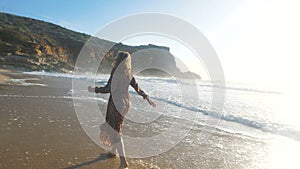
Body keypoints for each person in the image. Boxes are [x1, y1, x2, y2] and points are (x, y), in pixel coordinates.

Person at [88, 51, 156, 169]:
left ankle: (123, 162)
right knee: (115, 126)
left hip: (116, 104)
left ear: (118, 60)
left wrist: (94, 89)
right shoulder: (129, 74)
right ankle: (114, 152)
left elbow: (108, 88)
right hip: (126, 104)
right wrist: (146, 97)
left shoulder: (116, 72)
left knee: (116, 131)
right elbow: (137, 88)